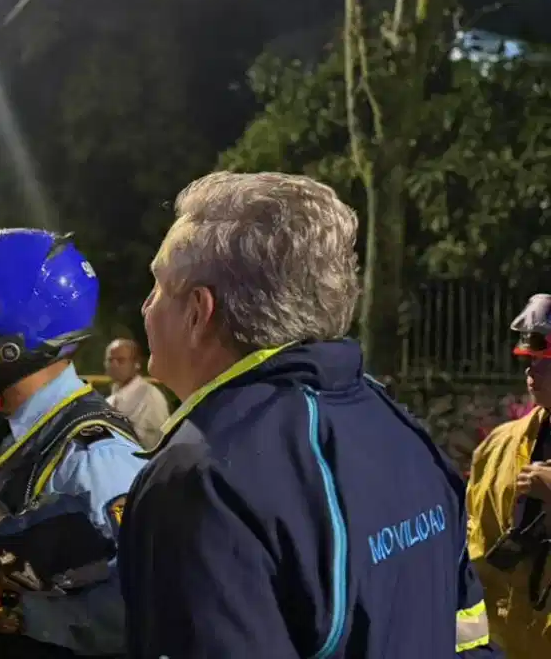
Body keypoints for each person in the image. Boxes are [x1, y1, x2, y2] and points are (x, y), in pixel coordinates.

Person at [119, 171, 498, 657]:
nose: (145, 307)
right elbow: (468, 635)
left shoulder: (200, 479)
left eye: (157, 286)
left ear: (198, 311)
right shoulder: (398, 426)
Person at [0, 229, 146, 658]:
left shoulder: (96, 459)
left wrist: (9, 612)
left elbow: (143, 610)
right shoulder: (1, 425)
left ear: (19, 329)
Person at [467, 293, 551, 656]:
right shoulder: (498, 446)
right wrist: (469, 647)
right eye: (530, 361)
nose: (531, 371)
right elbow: (474, 554)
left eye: (545, 361)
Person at [101, 338, 169, 450]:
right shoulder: (109, 400)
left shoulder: (151, 396)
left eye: (120, 360)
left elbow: (159, 441)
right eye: (110, 360)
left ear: (136, 364)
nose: (114, 365)